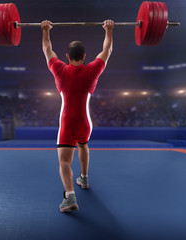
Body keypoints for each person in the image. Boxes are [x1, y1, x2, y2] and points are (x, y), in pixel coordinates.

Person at [41, 19, 114, 212]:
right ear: (84, 56)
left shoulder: (59, 69)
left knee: (64, 161)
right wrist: (109, 30)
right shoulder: (92, 70)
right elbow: (107, 51)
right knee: (83, 145)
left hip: (67, 122)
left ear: (67, 56)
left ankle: (70, 197)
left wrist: (46, 30)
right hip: (85, 122)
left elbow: (47, 50)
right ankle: (84, 178)